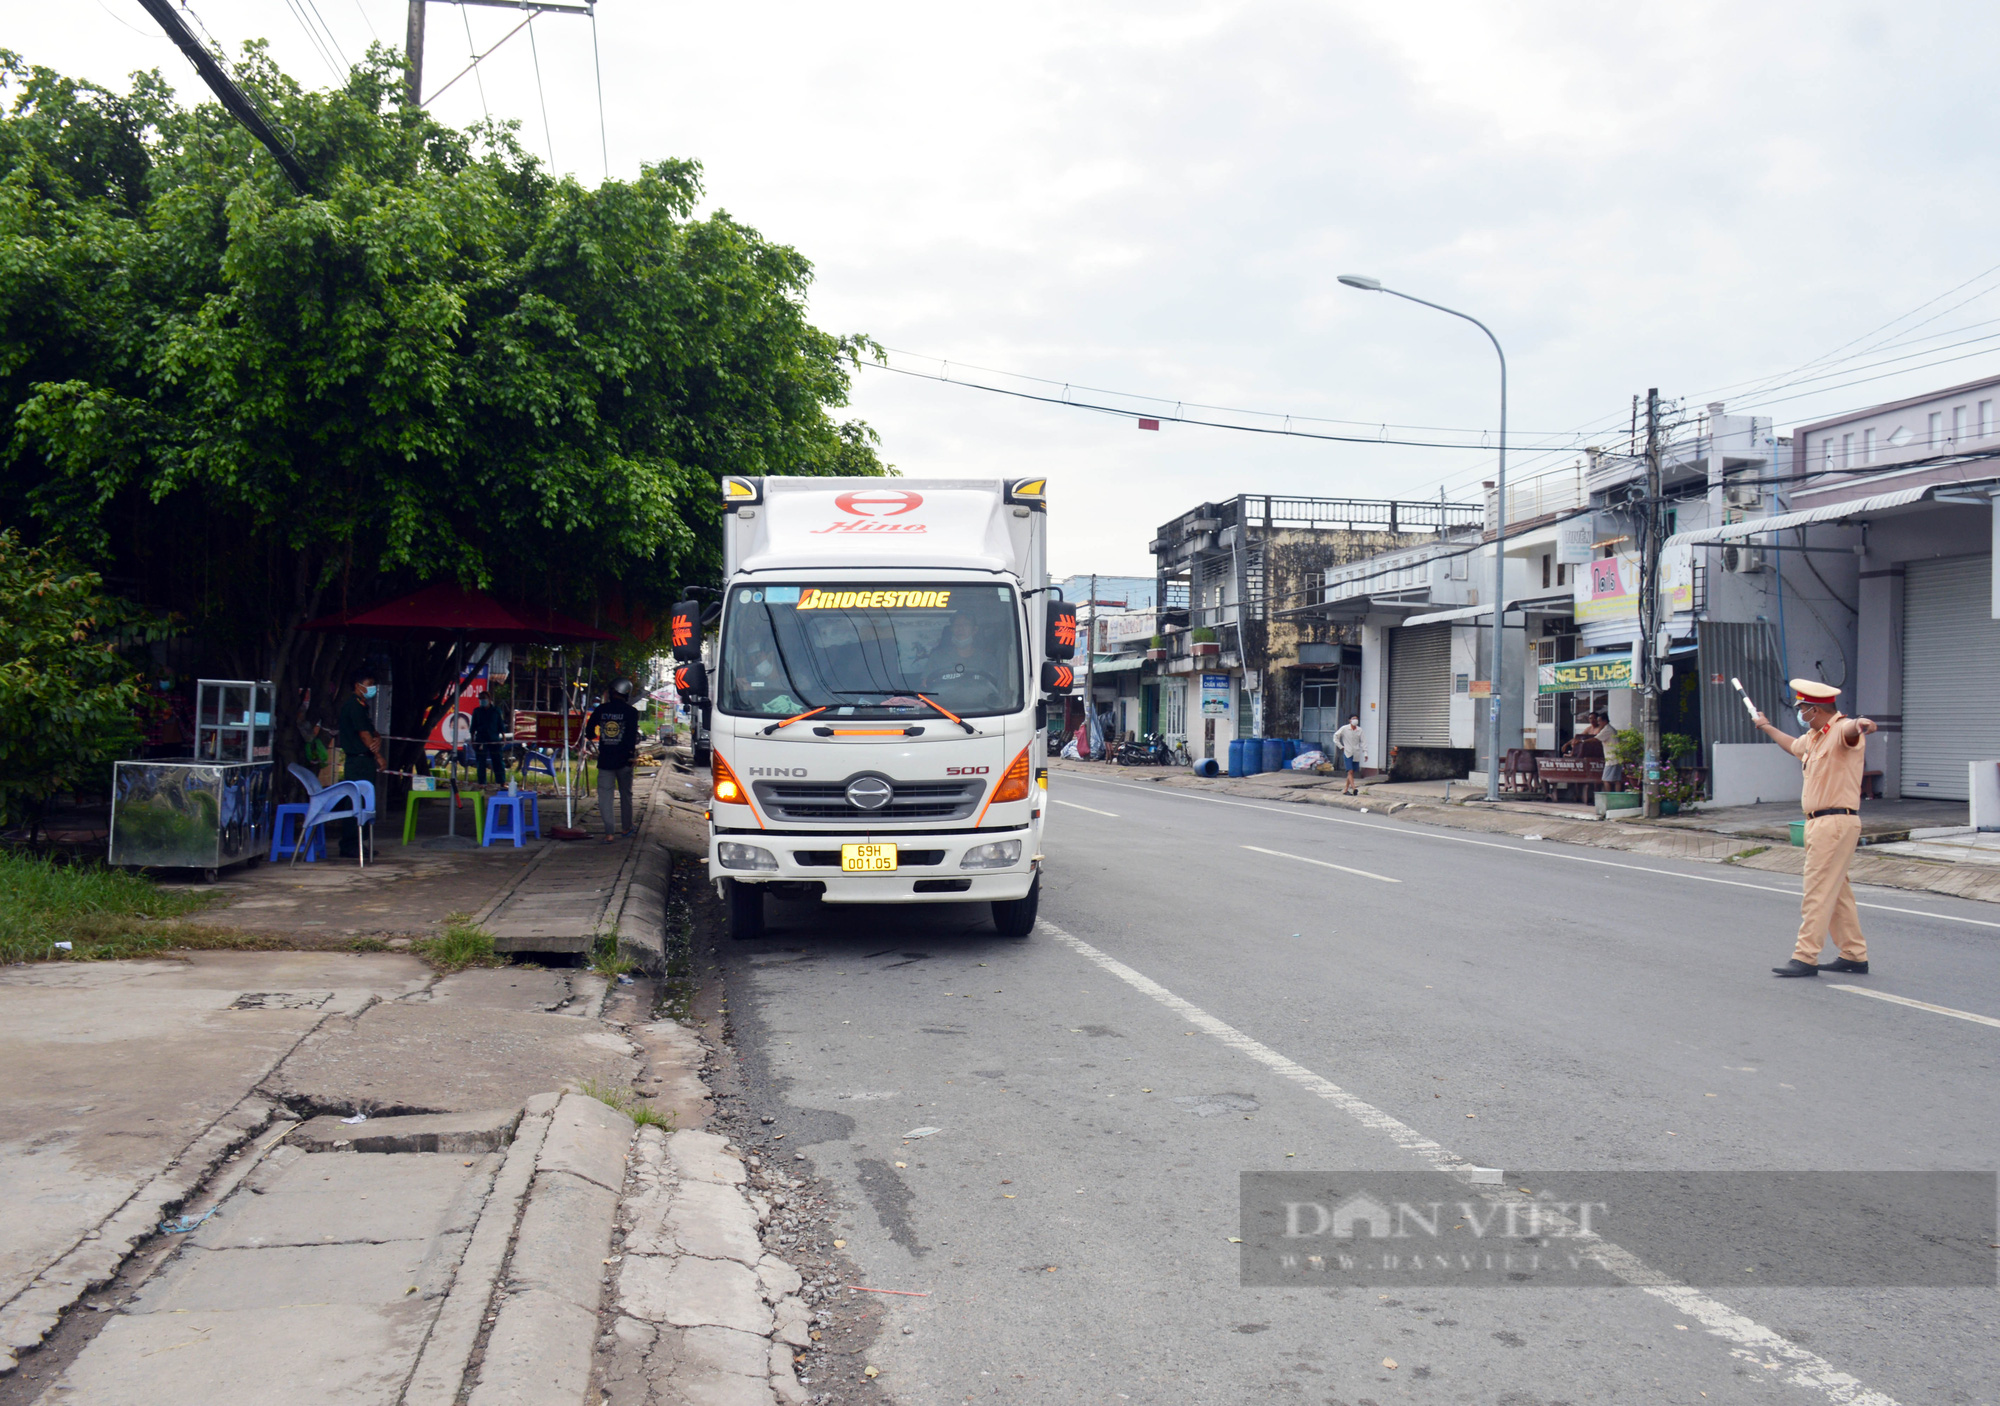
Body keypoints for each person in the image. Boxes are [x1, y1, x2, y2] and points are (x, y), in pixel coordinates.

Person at [1751, 679, 1878, 978]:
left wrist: (1863, 723)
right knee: (1837, 892)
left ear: (1814, 709)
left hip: (1834, 822)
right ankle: (1854, 954)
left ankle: (1805, 956)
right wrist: (1766, 726)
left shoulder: (1841, 731)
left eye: (1802, 708)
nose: (1799, 713)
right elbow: (1792, 746)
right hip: (1818, 823)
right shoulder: (1814, 737)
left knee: (1817, 891)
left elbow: (1854, 728)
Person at [337, 668, 385, 859]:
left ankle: (359, 842)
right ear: (358, 686)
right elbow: (364, 735)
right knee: (355, 801)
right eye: (369, 684)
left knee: (365, 802)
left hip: (364, 761)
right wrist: (378, 755)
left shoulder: (362, 706)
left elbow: (373, 733)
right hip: (358, 761)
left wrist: (376, 740)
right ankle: (349, 843)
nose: (372, 688)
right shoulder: (354, 706)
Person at [585, 679, 642, 839]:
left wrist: (595, 736)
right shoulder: (631, 712)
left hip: (605, 761)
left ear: (613, 692)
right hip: (625, 761)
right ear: (626, 693)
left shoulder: (602, 710)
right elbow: (631, 737)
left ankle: (609, 833)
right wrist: (631, 755)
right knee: (626, 795)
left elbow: (589, 731)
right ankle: (626, 828)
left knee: (605, 797)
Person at [469, 691, 507, 787]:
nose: (482, 701)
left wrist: (504, 738)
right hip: (481, 739)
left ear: (489, 699)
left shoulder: (496, 711)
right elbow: (473, 727)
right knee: (481, 762)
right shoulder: (477, 711)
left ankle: (501, 782)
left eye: (484, 698)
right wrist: (472, 740)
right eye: (480, 699)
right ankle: (482, 783)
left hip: (494, 739)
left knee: (498, 760)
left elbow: (501, 725)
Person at [1331, 714, 1365, 795]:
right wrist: (1341, 746)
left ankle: (1346, 789)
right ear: (1349, 720)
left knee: (1351, 772)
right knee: (1350, 771)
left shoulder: (1360, 730)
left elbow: (1363, 742)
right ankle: (1354, 788)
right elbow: (1335, 737)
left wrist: (1365, 752)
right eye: (1353, 718)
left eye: (1356, 718)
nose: (1355, 720)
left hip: (1356, 753)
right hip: (1347, 752)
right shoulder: (1344, 728)